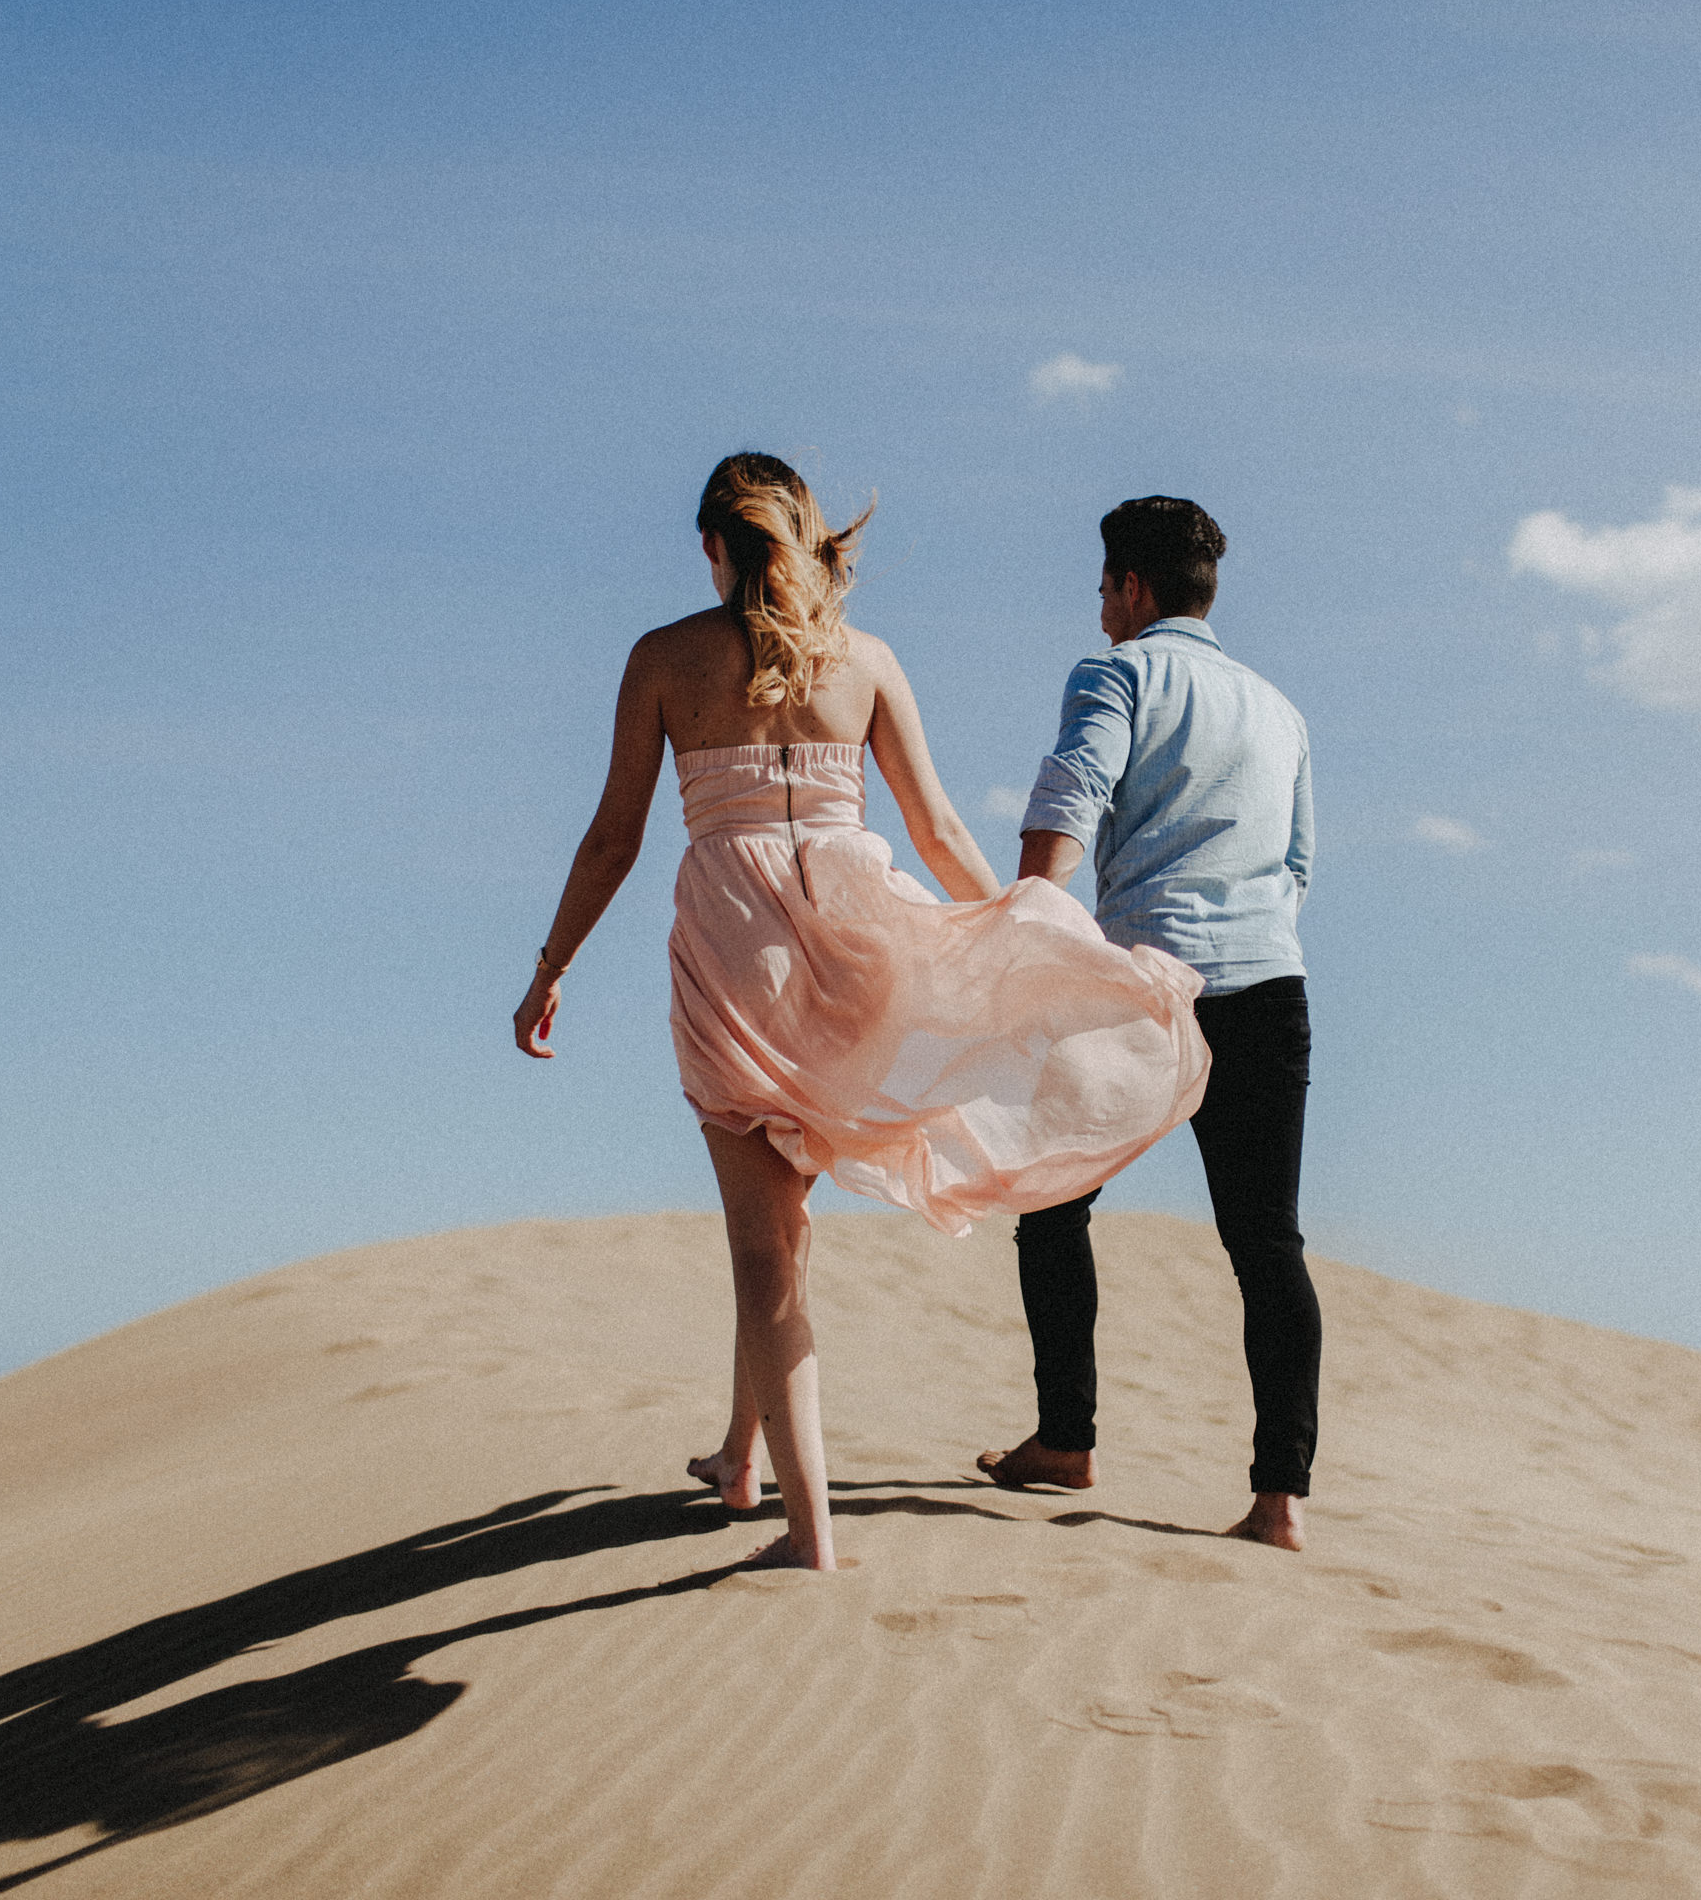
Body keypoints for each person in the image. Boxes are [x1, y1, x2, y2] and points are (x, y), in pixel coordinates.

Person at [516, 455, 1210, 1571]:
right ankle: (742, 1454)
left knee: (764, 1251)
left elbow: (614, 836)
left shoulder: (663, 656)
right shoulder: (868, 660)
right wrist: (1021, 933)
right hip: (857, 947)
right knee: (783, 1224)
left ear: (714, 545)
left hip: (740, 956)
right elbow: (935, 827)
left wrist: (551, 963)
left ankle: (807, 1533)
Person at [975, 496, 1322, 1551]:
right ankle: (1279, 1499)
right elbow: (1297, 862)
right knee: (1268, 1244)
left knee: (1053, 1202)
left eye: (1102, 587)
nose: (1099, 608)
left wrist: (1028, 921)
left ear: (1131, 586)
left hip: (1143, 980)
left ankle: (1067, 1436)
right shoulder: (1281, 708)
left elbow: (1071, 791)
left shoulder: (1117, 674)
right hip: (1269, 979)